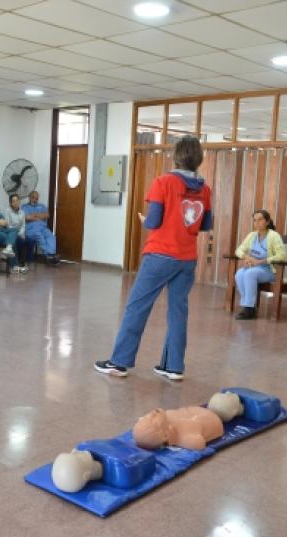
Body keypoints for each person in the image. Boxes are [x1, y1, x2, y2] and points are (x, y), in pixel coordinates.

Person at [95, 136, 213, 381]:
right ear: (198, 158)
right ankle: (173, 367)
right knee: (178, 311)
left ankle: (119, 363)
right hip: (187, 258)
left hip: (160, 255)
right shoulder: (205, 189)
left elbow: (154, 221)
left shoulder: (163, 182)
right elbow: (205, 225)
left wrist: (144, 221)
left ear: (176, 156)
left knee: (137, 307)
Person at [232, 210, 286, 320]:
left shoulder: (273, 236)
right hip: (255, 268)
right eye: (255, 220)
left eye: (260, 220)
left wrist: (261, 261)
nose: (257, 223)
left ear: (267, 221)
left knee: (250, 274)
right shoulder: (252, 235)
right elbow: (238, 250)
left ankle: (249, 308)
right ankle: (248, 307)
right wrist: (247, 257)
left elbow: (282, 255)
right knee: (239, 274)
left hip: (270, 270)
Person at [22, 190, 60, 264]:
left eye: (37, 198)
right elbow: (27, 218)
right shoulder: (24, 207)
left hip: (43, 228)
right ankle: (49, 255)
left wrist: (34, 216)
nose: (35, 200)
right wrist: (39, 216)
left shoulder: (42, 206)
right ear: (29, 198)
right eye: (33, 198)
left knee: (51, 236)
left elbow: (47, 215)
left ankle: (51, 254)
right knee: (39, 236)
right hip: (31, 229)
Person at [4, 193, 30, 274]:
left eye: (17, 200)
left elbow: (23, 225)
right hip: (11, 232)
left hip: (19, 233)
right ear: (11, 203)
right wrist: (17, 233)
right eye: (13, 201)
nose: (15, 202)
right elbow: (8, 225)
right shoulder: (7, 211)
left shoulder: (22, 212)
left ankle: (23, 262)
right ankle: (17, 263)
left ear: (19, 201)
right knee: (17, 241)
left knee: (28, 240)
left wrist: (21, 233)